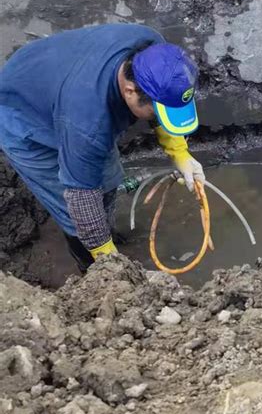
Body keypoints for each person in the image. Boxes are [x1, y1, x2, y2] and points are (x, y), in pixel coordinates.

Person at [0, 23, 205, 272]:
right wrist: (110, 263)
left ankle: (104, 235)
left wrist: (180, 154)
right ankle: (90, 268)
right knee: (74, 213)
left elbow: (159, 101)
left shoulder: (155, 53)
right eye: (159, 113)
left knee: (107, 181)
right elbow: (81, 198)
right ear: (130, 91)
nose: (162, 119)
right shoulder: (87, 124)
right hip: (22, 117)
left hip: (54, 79)